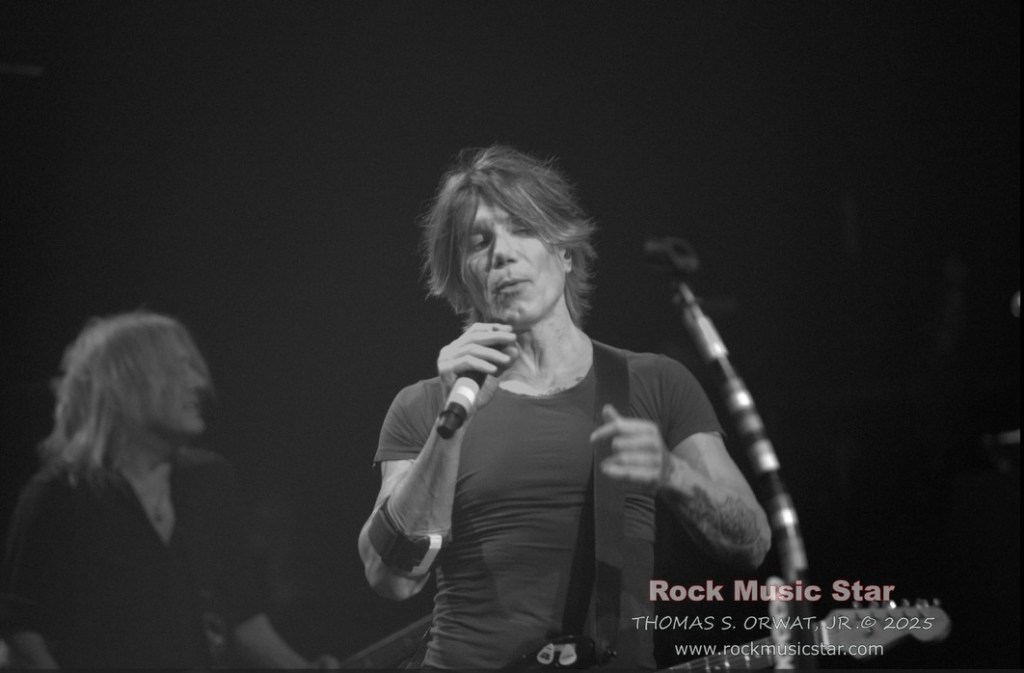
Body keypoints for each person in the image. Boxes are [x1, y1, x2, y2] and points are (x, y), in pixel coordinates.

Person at [358, 146, 771, 669]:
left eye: (522, 229)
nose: (502, 254)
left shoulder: (653, 382)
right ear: (463, 279)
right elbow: (389, 577)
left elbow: (752, 542)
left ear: (566, 252)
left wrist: (673, 474)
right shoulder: (424, 404)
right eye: (479, 242)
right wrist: (449, 428)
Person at [0, 311, 338, 669]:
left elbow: (242, 620)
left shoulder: (210, 480)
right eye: (180, 369)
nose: (199, 383)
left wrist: (302, 669)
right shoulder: (58, 496)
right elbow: (24, 638)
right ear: (127, 384)